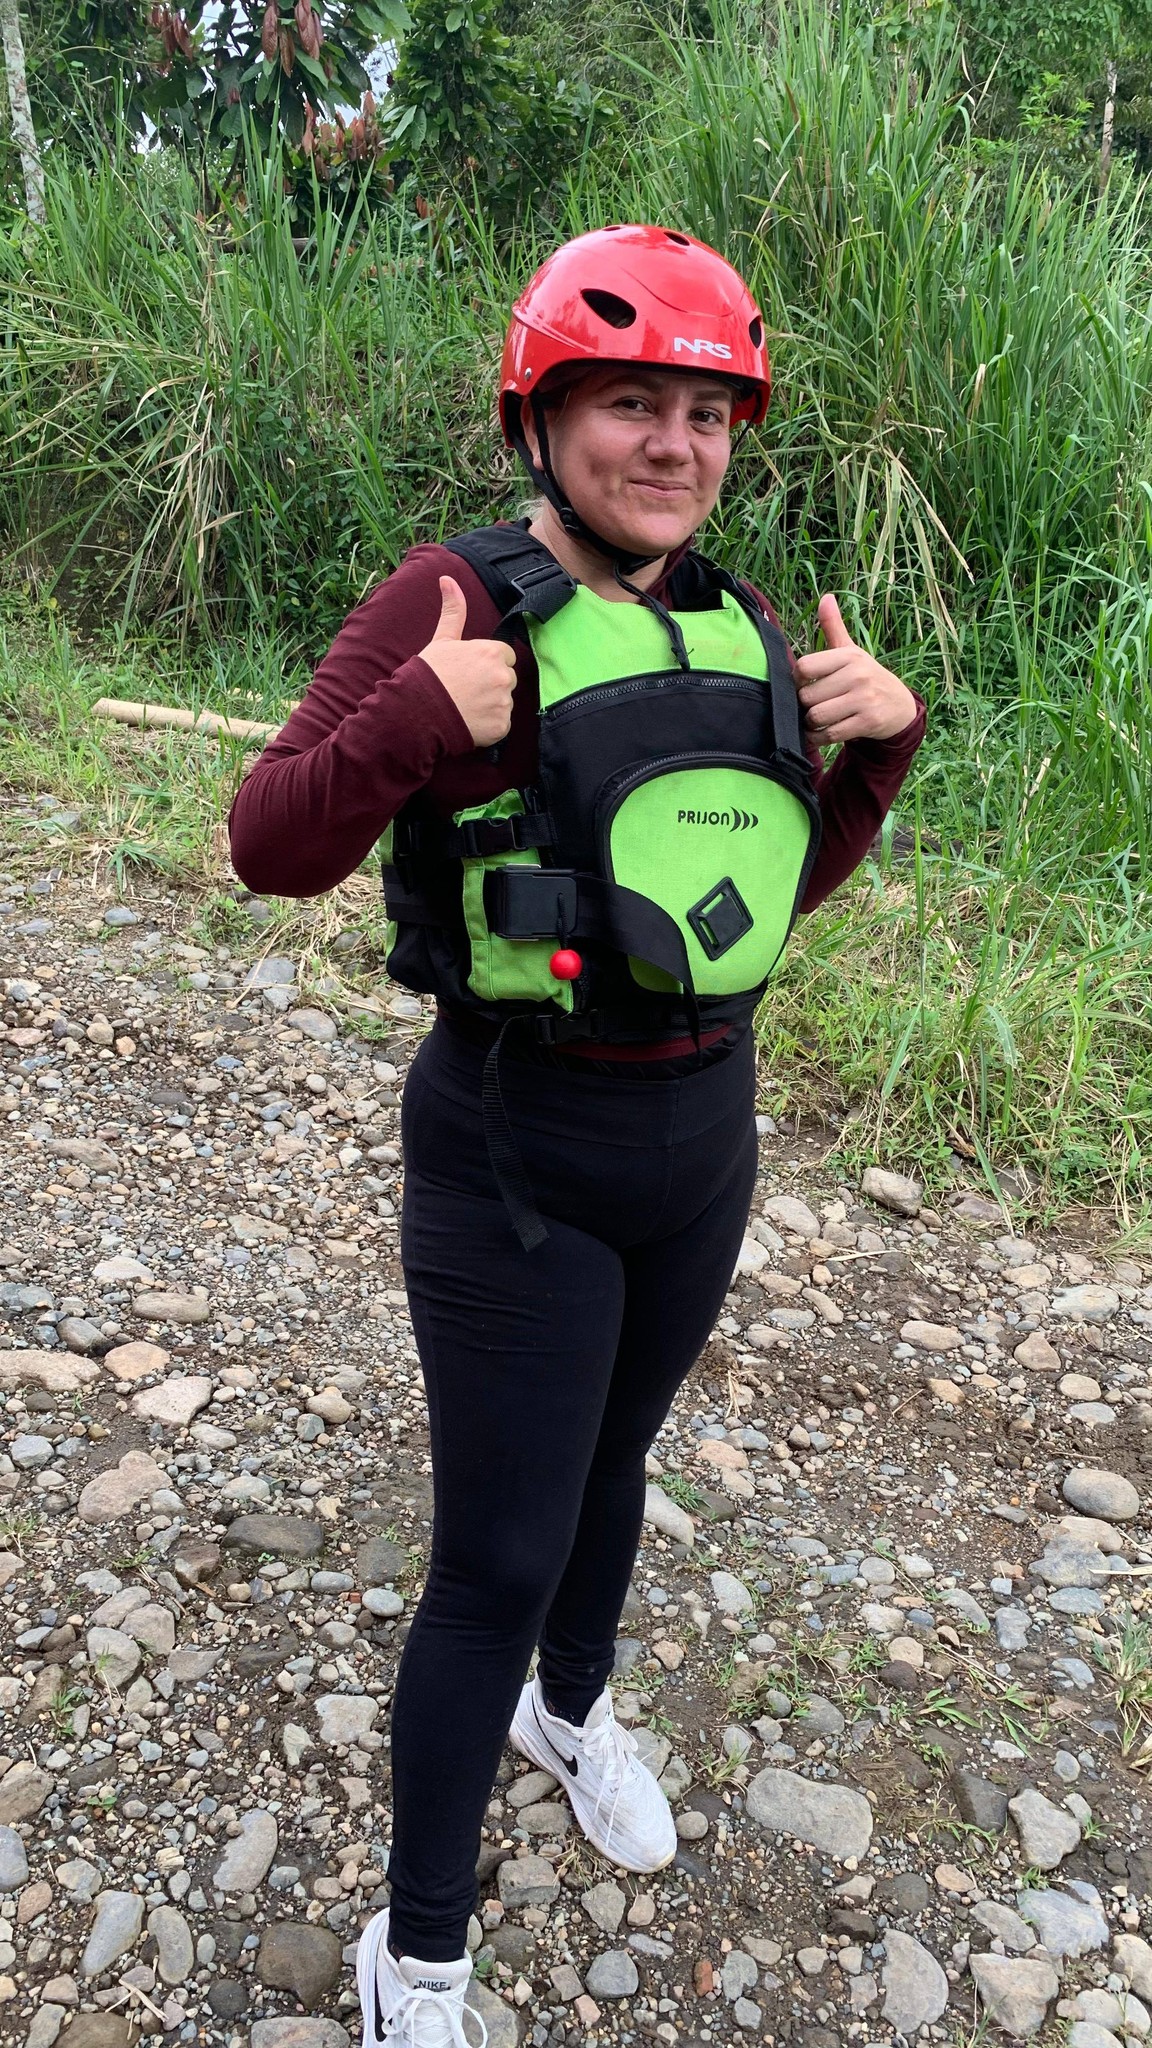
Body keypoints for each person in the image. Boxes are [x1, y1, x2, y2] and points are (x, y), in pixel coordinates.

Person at [229, 224, 925, 2048]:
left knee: (618, 1465)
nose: (674, 446)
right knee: (494, 1561)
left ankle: (576, 1707)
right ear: (539, 419)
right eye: (630, 404)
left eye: (707, 414)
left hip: (704, 1138)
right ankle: (418, 1959)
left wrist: (873, 762)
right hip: (515, 1153)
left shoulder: (739, 622)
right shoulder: (450, 602)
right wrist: (409, 721)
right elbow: (268, 841)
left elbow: (739, 913)